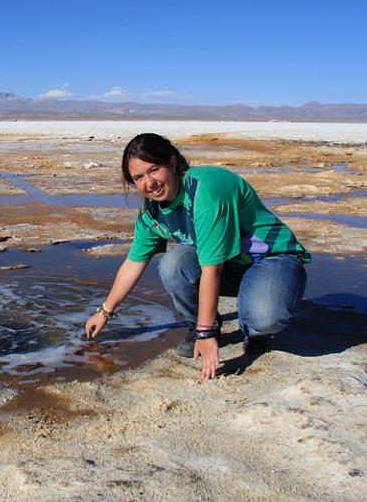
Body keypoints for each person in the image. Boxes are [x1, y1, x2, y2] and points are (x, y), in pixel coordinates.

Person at [84, 133, 310, 380]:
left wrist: (206, 334)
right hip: (231, 265)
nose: (149, 183)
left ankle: (255, 332)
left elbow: (212, 269)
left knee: (264, 317)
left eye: (154, 170)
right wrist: (104, 311)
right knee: (172, 264)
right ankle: (203, 322)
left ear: (171, 163)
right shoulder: (151, 214)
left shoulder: (205, 190)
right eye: (139, 177)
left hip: (272, 259)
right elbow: (133, 263)